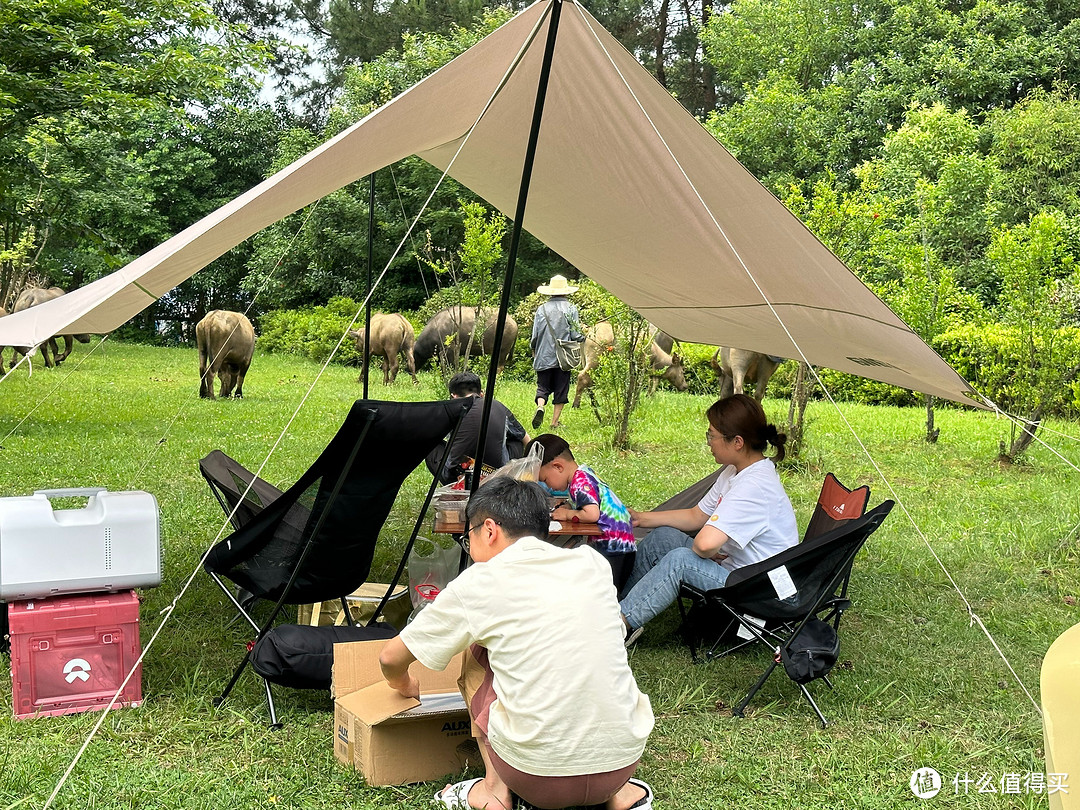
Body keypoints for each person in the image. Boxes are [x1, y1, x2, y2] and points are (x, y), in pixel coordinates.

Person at [379, 478, 655, 810]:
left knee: (478, 651)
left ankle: (494, 792)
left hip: (536, 777)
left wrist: (405, 683)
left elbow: (391, 656)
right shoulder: (591, 564)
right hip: (621, 765)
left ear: (490, 530)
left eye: (469, 539)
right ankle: (622, 798)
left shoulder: (481, 581)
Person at [619, 394, 797, 645]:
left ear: (737, 442)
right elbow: (697, 515)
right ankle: (616, 608)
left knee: (681, 561)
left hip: (755, 588)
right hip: (736, 571)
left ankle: (618, 627)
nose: (709, 442)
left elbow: (704, 545)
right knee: (663, 537)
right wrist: (641, 518)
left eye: (712, 435)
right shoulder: (736, 471)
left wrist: (705, 551)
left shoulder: (755, 486)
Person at [528, 433, 637, 590]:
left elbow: (592, 514)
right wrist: (572, 508)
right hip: (622, 541)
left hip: (612, 545)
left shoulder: (579, 481)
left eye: (545, 480)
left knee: (607, 591)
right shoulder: (584, 472)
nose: (548, 486)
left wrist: (567, 514)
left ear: (558, 467)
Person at [425, 371, 530, 485]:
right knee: (516, 440)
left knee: (429, 443)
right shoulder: (498, 406)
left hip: (458, 475)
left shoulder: (450, 410)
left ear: (453, 396)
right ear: (482, 393)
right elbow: (526, 438)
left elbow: (427, 434)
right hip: (496, 477)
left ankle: (452, 482)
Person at [530, 274, 584, 431]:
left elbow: (535, 336)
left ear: (551, 292)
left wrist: (534, 349)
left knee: (543, 386)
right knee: (561, 388)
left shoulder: (541, 309)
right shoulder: (571, 309)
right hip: (563, 357)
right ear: (566, 292)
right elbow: (575, 334)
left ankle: (540, 406)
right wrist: (583, 337)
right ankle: (554, 422)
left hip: (543, 355)